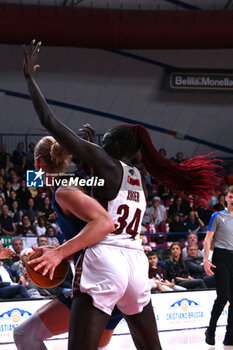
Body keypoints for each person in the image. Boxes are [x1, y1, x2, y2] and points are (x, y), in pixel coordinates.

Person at [21, 40, 223, 350]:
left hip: (105, 260)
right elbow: (102, 192)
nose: (101, 138)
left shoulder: (100, 166)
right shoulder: (136, 176)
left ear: (112, 145)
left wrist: (30, 80)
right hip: (135, 263)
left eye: (105, 138)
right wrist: (88, 156)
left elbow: (49, 123)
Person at [13, 136, 121, 350]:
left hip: (99, 283)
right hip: (113, 279)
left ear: (38, 163)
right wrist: (56, 251)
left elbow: (104, 224)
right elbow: (95, 239)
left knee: (24, 333)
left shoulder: (65, 190)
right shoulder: (76, 184)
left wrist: (60, 252)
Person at [204, 185, 233, 346]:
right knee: (222, 297)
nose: (232, 199)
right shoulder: (217, 216)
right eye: (230, 196)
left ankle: (230, 336)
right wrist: (205, 260)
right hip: (220, 256)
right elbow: (208, 239)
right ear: (226, 198)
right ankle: (211, 329)